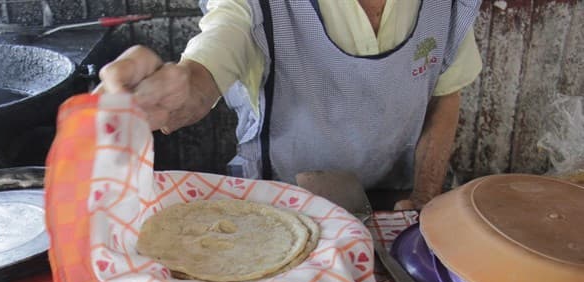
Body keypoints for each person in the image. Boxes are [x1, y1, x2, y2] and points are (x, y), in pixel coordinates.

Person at [96, 0, 483, 209]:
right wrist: (177, 92)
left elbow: (445, 94)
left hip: (389, 202)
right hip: (275, 205)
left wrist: (424, 198)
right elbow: (210, 61)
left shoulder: (446, 6)